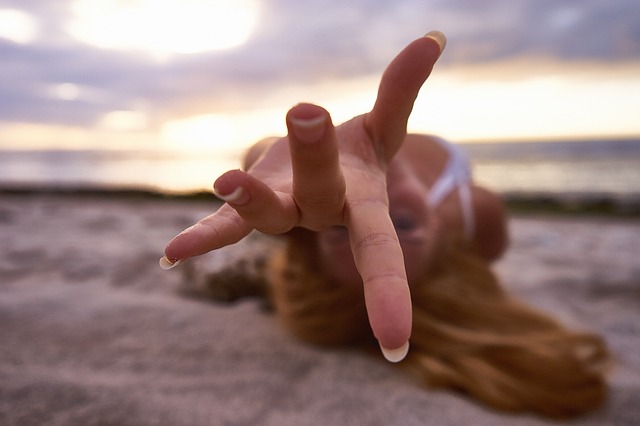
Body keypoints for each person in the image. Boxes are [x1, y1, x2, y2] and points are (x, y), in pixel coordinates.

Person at [160, 32, 609, 418]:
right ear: (442, 238)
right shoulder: (479, 214)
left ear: (313, 237)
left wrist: (270, 152)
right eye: (407, 222)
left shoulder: (312, 206)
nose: (388, 202)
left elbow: (266, 164)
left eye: (342, 230)